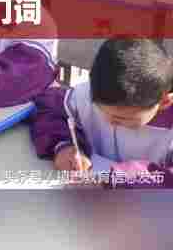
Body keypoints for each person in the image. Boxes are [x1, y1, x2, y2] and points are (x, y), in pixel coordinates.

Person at [30, 39, 173, 187]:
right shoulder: (93, 94)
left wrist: (117, 180)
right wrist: (64, 146)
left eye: (122, 118)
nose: (108, 122)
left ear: (164, 102)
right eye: (100, 110)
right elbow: (49, 110)